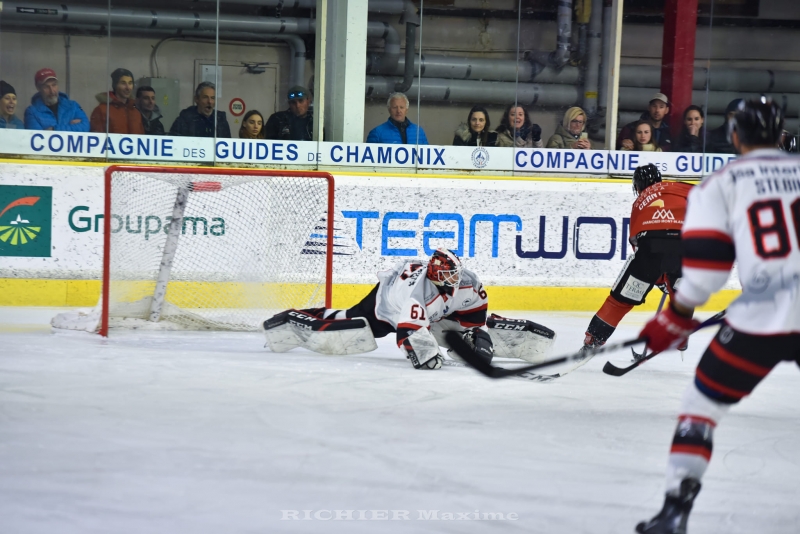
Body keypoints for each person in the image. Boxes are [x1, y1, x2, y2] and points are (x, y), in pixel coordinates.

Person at [634, 98, 799, 534]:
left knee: (700, 407)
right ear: (780, 134)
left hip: (762, 320)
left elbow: (705, 272)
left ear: (735, 135)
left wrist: (674, 319)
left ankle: (674, 514)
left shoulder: (722, 183)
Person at [263, 249, 492, 370]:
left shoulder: (466, 281)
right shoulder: (417, 293)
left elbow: (476, 307)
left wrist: (478, 331)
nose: (454, 279)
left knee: (436, 318)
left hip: (420, 308)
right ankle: (293, 318)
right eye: (447, 275)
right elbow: (406, 333)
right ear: (434, 275)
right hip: (385, 307)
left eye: (455, 273)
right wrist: (422, 353)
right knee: (348, 321)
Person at [582, 164, 692, 352]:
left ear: (638, 186)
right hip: (684, 247)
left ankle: (593, 340)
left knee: (620, 301)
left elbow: (637, 242)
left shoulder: (640, 201)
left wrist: (656, 276)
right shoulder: (680, 187)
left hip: (650, 248)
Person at [24, 68, 89, 132]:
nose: (52, 91)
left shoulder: (73, 106)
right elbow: (36, 138)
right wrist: (70, 127)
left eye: (54, 85)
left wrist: (54, 129)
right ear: (38, 87)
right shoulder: (31, 112)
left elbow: (86, 127)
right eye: (46, 87)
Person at [90, 68, 145, 134]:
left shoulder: (136, 113)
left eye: (130, 83)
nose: (128, 87)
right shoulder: (102, 110)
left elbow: (141, 139)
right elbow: (96, 139)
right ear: (115, 85)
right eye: (123, 83)